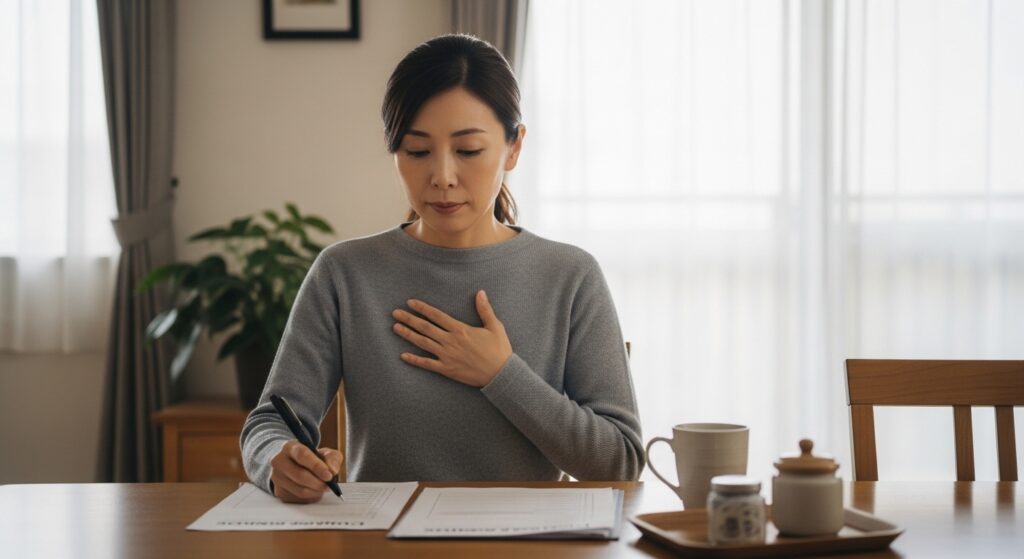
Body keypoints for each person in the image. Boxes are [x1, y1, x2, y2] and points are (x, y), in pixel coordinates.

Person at [240, 33, 644, 504]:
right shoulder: (344, 273)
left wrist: (501, 373)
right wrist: (279, 459)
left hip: (527, 539)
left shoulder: (571, 276)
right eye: (417, 152)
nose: (443, 177)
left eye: (468, 151)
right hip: (381, 536)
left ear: (514, 147)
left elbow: (620, 461)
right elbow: (269, 422)